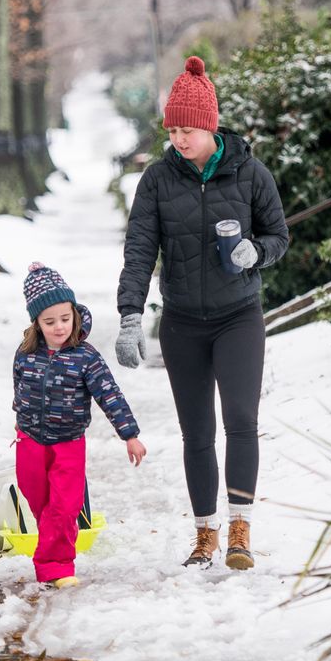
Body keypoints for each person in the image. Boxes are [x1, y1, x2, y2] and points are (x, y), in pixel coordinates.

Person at [115, 55, 289, 570]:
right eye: (172, 130)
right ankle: (204, 534)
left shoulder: (252, 174)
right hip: (183, 322)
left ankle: (239, 529)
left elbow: (279, 235)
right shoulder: (157, 181)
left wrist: (256, 253)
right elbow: (140, 250)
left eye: (187, 129)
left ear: (210, 127)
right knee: (196, 433)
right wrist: (129, 314)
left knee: (240, 420)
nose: (178, 139)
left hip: (239, 316)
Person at [14, 262, 147, 588]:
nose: (59, 327)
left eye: (65, 318)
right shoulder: (25, 353)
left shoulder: (86, 357)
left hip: (69, 443)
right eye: (49, 321)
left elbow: (110, 395)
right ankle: (57, 538)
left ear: (74, 314)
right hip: (29, 439)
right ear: (37, 322)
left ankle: (56, 568)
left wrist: (129, 435)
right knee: (37, 498)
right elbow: (18, 386)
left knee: (63, 505)